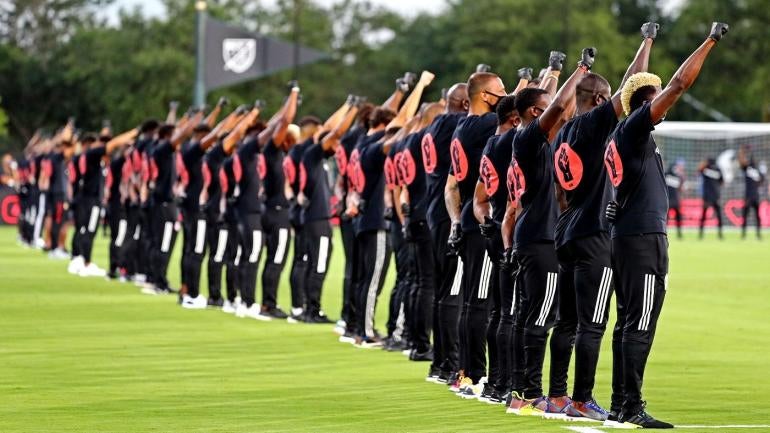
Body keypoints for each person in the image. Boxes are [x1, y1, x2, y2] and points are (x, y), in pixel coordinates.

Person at [604, 22, 728, 429]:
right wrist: (709, 41)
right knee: (639, 323)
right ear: (648, 101)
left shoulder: (624, 130)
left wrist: (647, 41)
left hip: (629, 237)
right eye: (656, 97)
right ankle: (631, 406)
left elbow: (630, 86)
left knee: (627, 322)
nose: (665, 102)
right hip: (642, 239)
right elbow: (678, 84)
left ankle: (622, 403)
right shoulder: (636, 127)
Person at [547, 24, 658, 422]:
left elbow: (561, 194)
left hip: (566, 230)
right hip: (595, 234)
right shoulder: (592, 124)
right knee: (592, 324)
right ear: (598, 98)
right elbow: (633, 87)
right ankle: (580, 399)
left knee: (566, 321)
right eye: (608, 98)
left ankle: (556, 394)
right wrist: (645, 41)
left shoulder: (560, 133)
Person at [505, 48, 594, 415]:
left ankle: (518, 391)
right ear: (534, 113)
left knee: (532, 317)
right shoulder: (528, 138)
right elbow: (557, 107)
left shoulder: (536, 138)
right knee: (540, 319)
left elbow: (551, 103)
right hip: (540, 240)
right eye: (550, 105)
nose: (564, 108)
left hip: (537, 237)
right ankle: (527, 393)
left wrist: (552, 73)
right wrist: (581, 70)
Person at [444, 70, 505, 398]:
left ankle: (465, 370)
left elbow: (451, 185)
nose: (504, 96)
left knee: (472, 300)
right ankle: (473, 374)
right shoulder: (484, 125)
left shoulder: (460, 128)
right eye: (500, 91)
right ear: (484, 96)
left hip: (467, 218)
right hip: (481, 221)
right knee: (479, 301)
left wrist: (455, 221)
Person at [471, 91, 521, 404]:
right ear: (516, 119)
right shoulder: (510, 143)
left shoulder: (491, 143)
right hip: (510, 233)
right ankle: (506, 383)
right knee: (510, 313)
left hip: (496, 228)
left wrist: (486, 219)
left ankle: (495, 381)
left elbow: (479, 197)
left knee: (499, 311)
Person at [232, 85, 299, 320]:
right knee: (272, 259)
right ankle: (263, 304)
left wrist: (286, 106)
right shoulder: (261, 150)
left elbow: (276, 122)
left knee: (256, 257)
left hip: (264, 210)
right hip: (274, 211)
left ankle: (249, 301)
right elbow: (280, 123)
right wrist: (292, 96)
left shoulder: (258, 152)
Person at [421, 83, 469, 384]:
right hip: (449, 214)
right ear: (465, 105)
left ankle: (440, 362)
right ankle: (451, 363)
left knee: (443, 292)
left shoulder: (434, 124)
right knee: (453, 292)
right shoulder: (459, 125)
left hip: (434, 213)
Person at [299, 101, 361, 323]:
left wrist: (346, 107)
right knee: (319, 263)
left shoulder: (310, 155)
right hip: (318, 218)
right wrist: (352, 109)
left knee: (313, 263)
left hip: (314, 217)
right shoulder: (312, 153)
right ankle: (312, 310)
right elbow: (335, 131)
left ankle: (309, 308)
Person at [738, 145, 764, 239]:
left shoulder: (748, 169)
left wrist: (742, 151)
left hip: (748, 196)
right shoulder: (758, 172)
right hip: (755, 195)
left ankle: (744, 234)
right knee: (756, 216)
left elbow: (741, 162)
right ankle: (758, 234)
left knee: (746, 215)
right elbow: (761, 182)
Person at [698, 157, 724, 239]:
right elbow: (722, 181)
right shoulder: (717, 169)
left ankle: (701, 234)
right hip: (714, 196)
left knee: (705, 215)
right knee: (717, 216)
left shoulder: (706, 168)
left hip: (709, 196)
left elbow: (699, 169)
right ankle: (720, 235)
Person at [665, 161, 685, 239]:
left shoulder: (665, 174)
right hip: (675, 200)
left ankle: (665, 233)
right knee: (678, 218)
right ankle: (679, 234)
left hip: (668, 200)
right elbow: (681, 188)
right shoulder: (679, 177)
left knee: (666, 219)